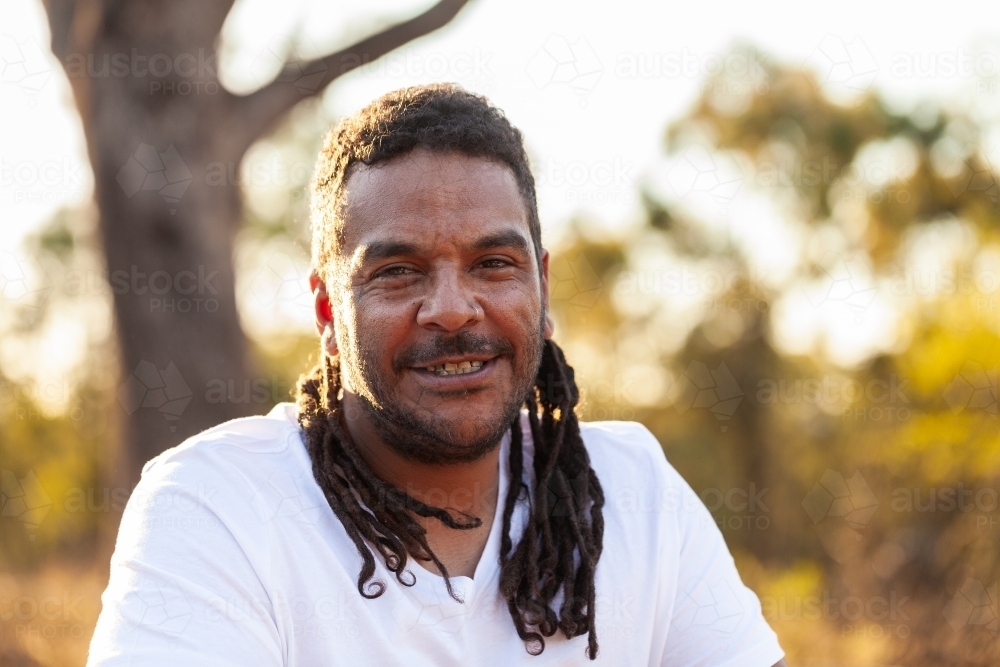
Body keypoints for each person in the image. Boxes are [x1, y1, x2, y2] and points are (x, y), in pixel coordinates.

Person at [87, 83, 787, 666]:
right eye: (398, 272)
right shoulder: (219, 507)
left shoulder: (637, 494)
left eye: (493, 264)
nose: (452, 310)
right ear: (328, 311)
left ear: (542, 288)